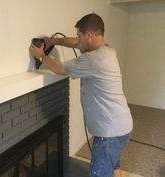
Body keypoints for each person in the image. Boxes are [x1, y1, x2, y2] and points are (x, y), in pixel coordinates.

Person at [29, 13, 133, 177]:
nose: (77, 39)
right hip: (122, 126)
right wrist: (53, 41)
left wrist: (41, 56)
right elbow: (75, 42)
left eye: (79, 35)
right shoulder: (107, 49)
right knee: (113, 167)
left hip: (109, 133)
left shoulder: (94, 59)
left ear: (89, 35)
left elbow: (59, 69)